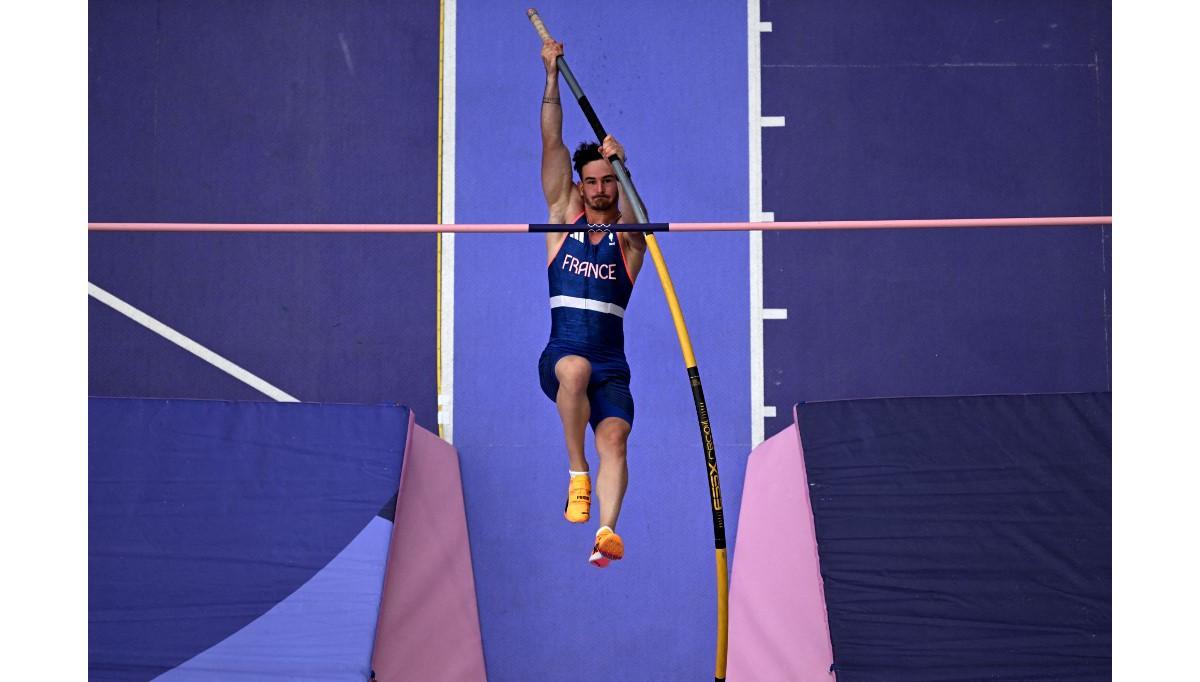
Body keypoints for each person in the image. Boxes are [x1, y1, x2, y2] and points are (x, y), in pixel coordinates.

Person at [537, 38, 647, 568]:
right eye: (593, 182)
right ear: (579, 189)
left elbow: (637, 218)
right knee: (575, 370)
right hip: (563, 356)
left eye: (608, 182)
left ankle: (605, 532)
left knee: (617, 438)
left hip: (613, 366)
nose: (600, 189)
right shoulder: (562, 221)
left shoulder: (630, 243)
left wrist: (624, 168)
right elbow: (552, 144)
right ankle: (576, 475)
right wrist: (552, 77)